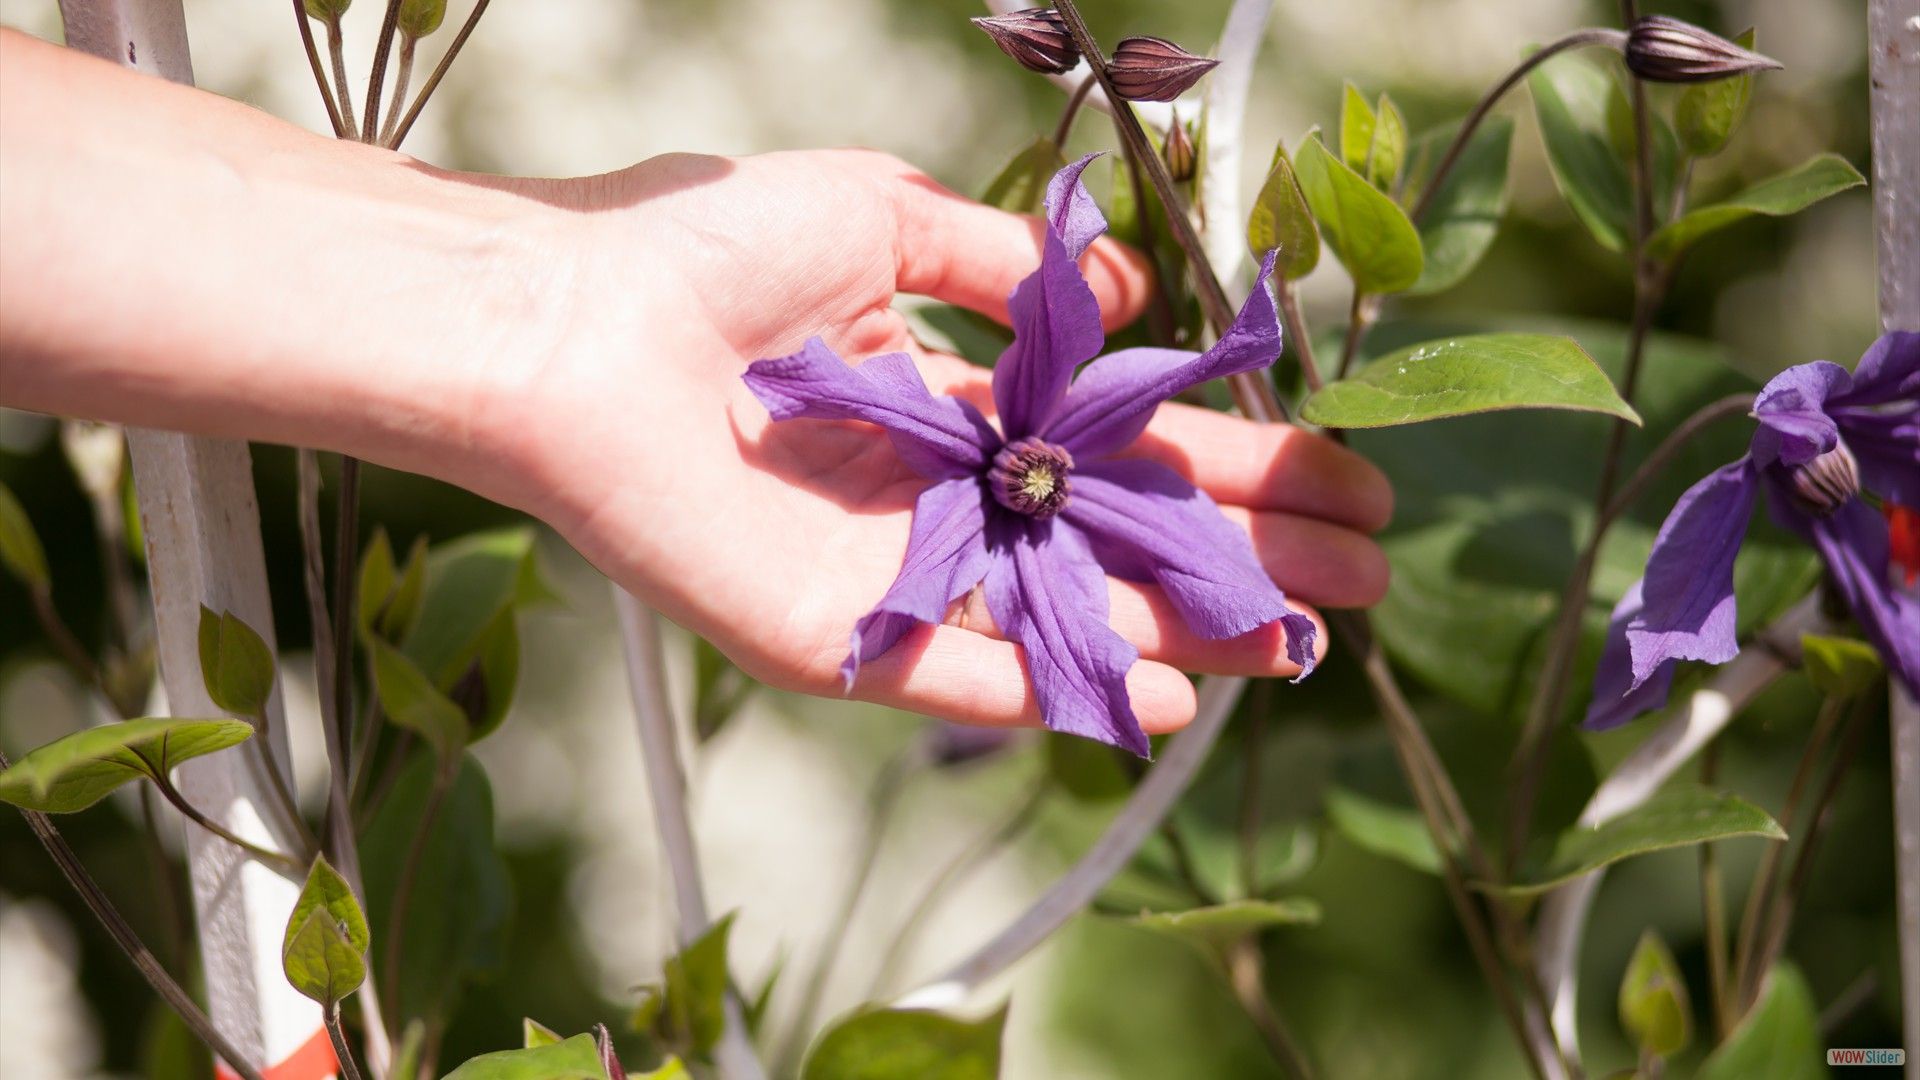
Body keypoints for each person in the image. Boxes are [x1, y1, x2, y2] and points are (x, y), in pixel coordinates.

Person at [0, 30, 1391, 737]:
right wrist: (550, 309)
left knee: (1205, 552)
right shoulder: (980, 462)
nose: (1029, 474)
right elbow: (924, 503)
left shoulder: (1031, 457)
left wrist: (539, 304)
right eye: (1027, 470)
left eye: (1035, 472)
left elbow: (1188, 369)